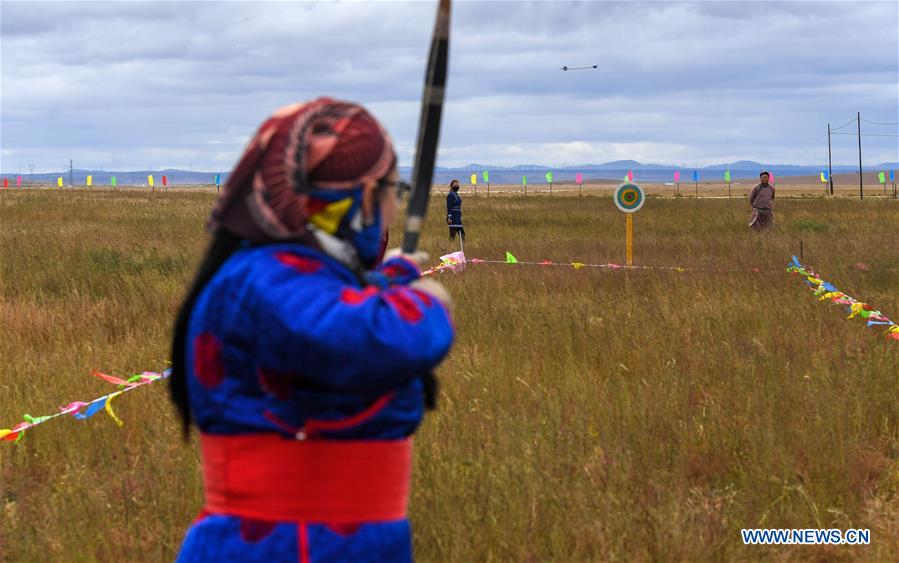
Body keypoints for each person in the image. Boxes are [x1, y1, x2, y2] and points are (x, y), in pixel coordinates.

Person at [170, 98, 455, 562]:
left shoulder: (285, 274)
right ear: (359, 195)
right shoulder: (263, 276)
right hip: (289, 546)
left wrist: (391, 280)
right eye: (390, 190)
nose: (390, 205)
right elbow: (359, 338)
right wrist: (428, 304)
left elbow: (326, 310)